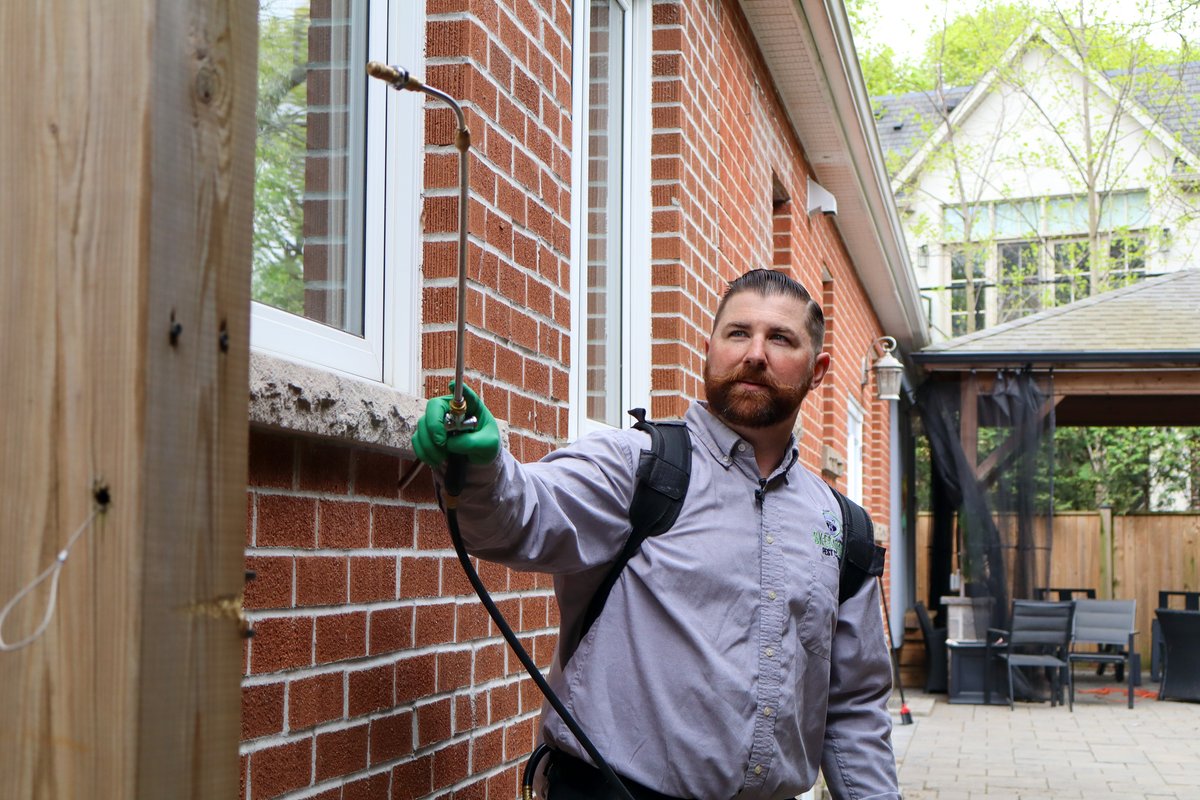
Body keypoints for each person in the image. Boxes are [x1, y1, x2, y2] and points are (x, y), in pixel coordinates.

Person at [413, 269, 899, 800]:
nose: (755, 353)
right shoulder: (638, 466)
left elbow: (854, 709)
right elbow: (520, 518)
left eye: (780, 338)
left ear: (818, 369)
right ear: (708, 349)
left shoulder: (840, 526)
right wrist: (483, 469)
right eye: (738, 333)